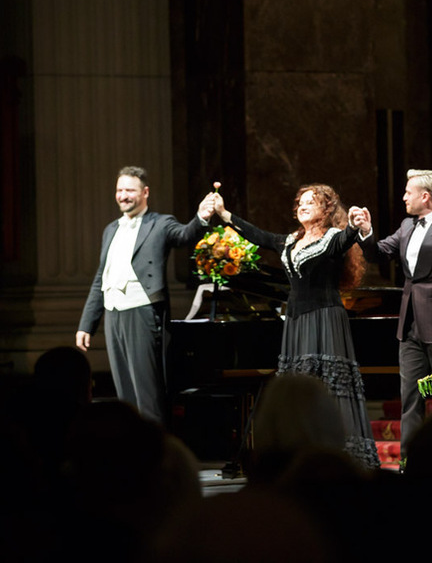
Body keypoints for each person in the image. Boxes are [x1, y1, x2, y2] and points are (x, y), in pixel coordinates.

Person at [212, 183, 380, 468]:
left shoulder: (333, 239)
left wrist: (355, 226)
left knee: (328, 384)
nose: (301, 206)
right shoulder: (290, 241)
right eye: (299, 202)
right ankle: (300, 452)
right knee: (297, 385)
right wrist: (225, 214)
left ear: (325, 210)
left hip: (325, 319)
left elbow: (346, 240)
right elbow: (259, 237)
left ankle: (338, 456)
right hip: (296, 322)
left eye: (310, 202)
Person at [348, 169, 432, 458]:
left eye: (408, 192)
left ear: (425, 196)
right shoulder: (408, 225)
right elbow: (378, 253)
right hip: (409, 324)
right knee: (410, 398)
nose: (403, 197)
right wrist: (366, 231)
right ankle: (410, 463)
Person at [77, 166, 216, 424]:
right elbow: (101, 277)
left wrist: (202, 217)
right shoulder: (111, 229)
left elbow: (185, 234)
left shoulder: (160, 223)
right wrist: (87, 324)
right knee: (124, 393)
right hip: (113, 314)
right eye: (119, 190)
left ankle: (157, 454)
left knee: (147, 392)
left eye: (130, 190)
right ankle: (132, 451)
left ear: (145, 192)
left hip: (142, 311)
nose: (123, 195)